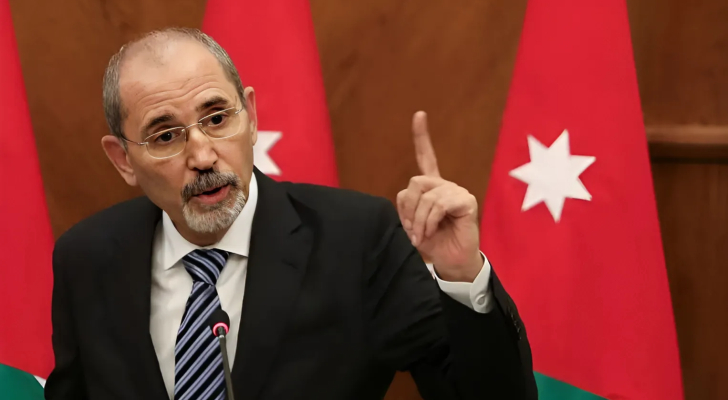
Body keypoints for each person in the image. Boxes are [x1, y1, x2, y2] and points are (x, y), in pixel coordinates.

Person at [44, 28, 536, 400]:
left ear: (251, 116)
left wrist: (461, 277)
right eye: (166, 135)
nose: (203, 156)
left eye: (217, 118)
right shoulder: (87, 259)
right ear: (123, 159)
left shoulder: (357, 241)